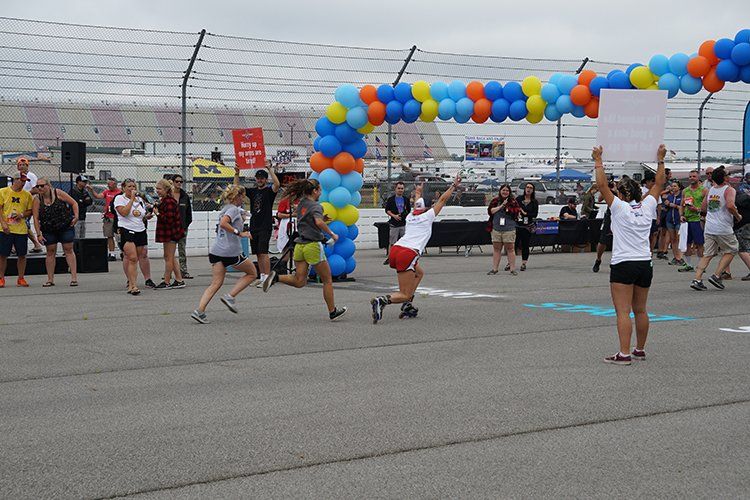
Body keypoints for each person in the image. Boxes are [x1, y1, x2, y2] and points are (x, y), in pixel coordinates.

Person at [594, 144, 666, 365]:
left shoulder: (618, 207)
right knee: (641, 309)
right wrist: (661, 160)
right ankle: (639, 349)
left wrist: (598, 160)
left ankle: (624, 354)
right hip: (645, 262)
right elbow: (659, 183)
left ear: (623, 194)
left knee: (623, 311)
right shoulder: (647, 205)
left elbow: (601, 184)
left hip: (624, 262)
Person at [370, 176, 461, 323]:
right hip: (408, 253)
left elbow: (416, 204)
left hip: (396, 249)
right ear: (425, 208)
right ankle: (382, 300)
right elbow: (442, 200)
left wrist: (418, 192)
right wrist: (453, 186)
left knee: (419, 273)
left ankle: (407, 304)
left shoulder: (411, 216)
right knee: (404, 293)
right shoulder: (428, 216)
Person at [261, 179, 347, 321]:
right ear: (314, 191)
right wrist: (332, 234)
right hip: (312, 246)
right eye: (319, 190)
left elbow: (307, 219)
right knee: (327, 280)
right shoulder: (316, 206)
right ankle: (332, 311)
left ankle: (276, 277)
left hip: (299, 245)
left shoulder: (301, 204)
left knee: (300, 281)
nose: (320, 193)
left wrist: (320, 219)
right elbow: (318, 222)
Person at [191, 185, 258, 324]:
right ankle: (230, 296)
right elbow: (224, 224)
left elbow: (228, 221)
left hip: (216, 251)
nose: (244, 199)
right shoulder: (233, 209)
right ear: (236, 197)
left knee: (216, 283)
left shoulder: (227, 209)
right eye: (242, 196)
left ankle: (200, 311)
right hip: (230, 251)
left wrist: (241, 219)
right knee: (252, 273)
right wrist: (240, 233)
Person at [690, 167, 742, 291]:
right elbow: (730, 205)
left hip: (710, 226)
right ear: (724, 178)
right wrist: (737, 215)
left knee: (707, 254)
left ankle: (697, 279)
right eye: (728, 174)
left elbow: (703, 208)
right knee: (732, 249)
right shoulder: (729, 190)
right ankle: (717, 275)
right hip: (723, 227)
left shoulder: (710, 190)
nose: (729, 176)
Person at [234, 164, 280, 286]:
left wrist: (270, 169)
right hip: (254, 225)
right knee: (258, 253)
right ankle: (262, 276)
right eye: (258, 178)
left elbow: (277, 184)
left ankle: (267, 278)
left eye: (262, 178)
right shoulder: (253, 191)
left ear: (266, 179)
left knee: (264, 252)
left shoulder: (269, 191)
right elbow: (236, 187)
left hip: (265, 225)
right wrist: (237, 173)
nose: (259, 180)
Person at [32, 178, 79, 287]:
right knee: (50, 251)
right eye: (38, 186)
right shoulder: (37, 199)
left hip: (65, 226)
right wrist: (38, 234)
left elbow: (74, 203)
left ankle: (74, 278)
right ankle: (50, 279)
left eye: (42, 186)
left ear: (49, 186)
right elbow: (35, 218)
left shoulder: (58, 193)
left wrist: (76, 216)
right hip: (49, 229)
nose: (40, 188)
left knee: (68, 249)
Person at [114, 179, 152, 295]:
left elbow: (140, 216)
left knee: (140, 256)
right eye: (129, 186)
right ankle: (133, 285)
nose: (132, 188)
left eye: (133, 186)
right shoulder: (120, 199)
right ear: (123, 188)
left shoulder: (140, 200)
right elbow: (124, 213)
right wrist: (131, 199)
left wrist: (147, 216)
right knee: (132, 258)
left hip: (140, 230)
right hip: (126, 229)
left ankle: (132, 284)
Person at [0, 172, 33, 287]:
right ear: (15, 180)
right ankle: (1, 278)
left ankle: (21, 278)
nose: (24, 183)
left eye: (25, 181)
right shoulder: (3, 191)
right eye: (22, 180)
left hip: (21, 229)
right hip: (5, 229)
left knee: (22, 255)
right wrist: (3, 223)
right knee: (3, 254)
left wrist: (22, 214)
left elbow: (30, 210)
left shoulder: (27, 195)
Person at [153, 179, 186, 290]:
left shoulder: (169, 201)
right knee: (170, 257)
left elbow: (169, 219)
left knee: (168, 257)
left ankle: (166, 281)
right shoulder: (165, 200)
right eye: (156, 188)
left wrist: (158, 213)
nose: (157, 190)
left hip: (171, 233)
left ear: (166, 189)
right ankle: (179, 280)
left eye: (159, 188)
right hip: (169, 232)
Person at [487, 184, 521, 275]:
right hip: (496, 228)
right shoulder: (495, 201)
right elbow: (490, 211)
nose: (505, 192)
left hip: (509, 229)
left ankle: (512, 269)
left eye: (507, 190)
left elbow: (516, 212)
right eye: (503, 190)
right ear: (500, 191)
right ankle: (495, 269)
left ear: (509, 192)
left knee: (510, 248)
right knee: (496, 249)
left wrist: (508, 208)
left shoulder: (513, 202)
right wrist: (501, 206)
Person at [678, 170, 707, 273]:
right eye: (690, 176)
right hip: (687, 220)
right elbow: (681, 205)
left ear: (698, 178)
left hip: (698, 220)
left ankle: (700, 266)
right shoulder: (685, 191)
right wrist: (681, 215)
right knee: (687, 243)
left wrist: (697, 209)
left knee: (699, 243)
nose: (691, 178)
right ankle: (689, 265)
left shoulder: (704, 190)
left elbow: (707, 208)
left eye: (694, 176)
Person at [88, 177, 121, 261]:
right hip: (108, 217)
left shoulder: (120, 192)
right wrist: (92, 190)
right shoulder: (106, 192)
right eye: (108, 184)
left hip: (119, 217)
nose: (108, 186)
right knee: (109, 236)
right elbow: (98, 196)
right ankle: (112, 253)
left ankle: (123, 252)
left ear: (115, 184)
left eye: (110, 184)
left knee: (120, 236)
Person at [16, 157, 43, 253]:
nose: (21, 166)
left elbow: (36, 189)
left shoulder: (31, 176)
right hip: (20, 203)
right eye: (19, 165)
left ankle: (36, 244)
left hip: (29, 203)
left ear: (27, 166)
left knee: (23, 222)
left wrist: (24, 195)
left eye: (24, 165)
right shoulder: (18, 176)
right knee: (22, 223)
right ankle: (36, 245)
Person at [592, 181, 618, 273]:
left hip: (620, 215)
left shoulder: (621, 191)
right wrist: (607, 190)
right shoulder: (608, 191)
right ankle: (598, 259)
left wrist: (616, 191)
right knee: (603, 240)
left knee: (619, 239)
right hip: (610, 215)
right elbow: (599, 199)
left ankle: (617, 261)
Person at [383, 181, 411, 265]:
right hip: (394, 224)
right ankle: (390, 258)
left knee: (404, 242)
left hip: (403, 224)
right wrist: (394, 216)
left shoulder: (406, 199)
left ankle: (405, 257)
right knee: (392, 242)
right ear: (395, 189)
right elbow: (387, 210)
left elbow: (409, 210)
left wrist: (404, 214)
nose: (400, 190)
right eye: (399, 188)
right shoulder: (391, 199)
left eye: (402, 188)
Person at [172, 174, 193, 279]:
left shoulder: (185, 196)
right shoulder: (168, 195)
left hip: (182, 227)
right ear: (172, 182)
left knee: (182, 250)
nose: (179, 183)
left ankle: (183, 271)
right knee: (169, 252)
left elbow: (189, 213)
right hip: (170, 228)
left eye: (181, 181)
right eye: (177, 181)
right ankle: (169, 272)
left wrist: (185, 225)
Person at [515, 182, 538, 272]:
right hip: (518, 225)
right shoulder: (519, 199)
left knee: (525, 245)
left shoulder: (534, 202)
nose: (528, 189)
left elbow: (535, 214)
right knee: (514, 244)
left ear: (533, 190)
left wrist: (526, 214)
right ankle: (510, 262)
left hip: (527, 226)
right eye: (527, 187)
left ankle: (524, 263)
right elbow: (514, 208)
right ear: (524, 189)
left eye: (531, 188)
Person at [662, 181, 685, 266]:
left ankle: (680, 257)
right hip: (669, 219)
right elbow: (665, 207)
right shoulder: (670, 196)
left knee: (679, 239)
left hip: (678, 219)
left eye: (675, 186)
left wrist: (674, 205)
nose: (673, 188)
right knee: (673, 239)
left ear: (679, 187)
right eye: (672, 186)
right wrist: (666, 204)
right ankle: (676, 257)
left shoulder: (682, 196)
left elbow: (682, 207)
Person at [733, 190, 750, 280]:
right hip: (747, 224)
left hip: (741, 225)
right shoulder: (744, 197)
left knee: (742, 250)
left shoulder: (734, 199)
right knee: (747, 248)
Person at [69, 175, 93, 239]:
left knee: (82, 237)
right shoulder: (73, 191)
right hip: (75, 217)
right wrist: (83, 201)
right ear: (78, 182)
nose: (85, 183)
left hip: (83, 216)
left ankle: (82, 248)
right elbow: (76, 203)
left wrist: (82, 201)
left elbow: (90, 201)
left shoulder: (85, 191)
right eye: (83, 181)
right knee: (76, 237)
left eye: (85, 182)